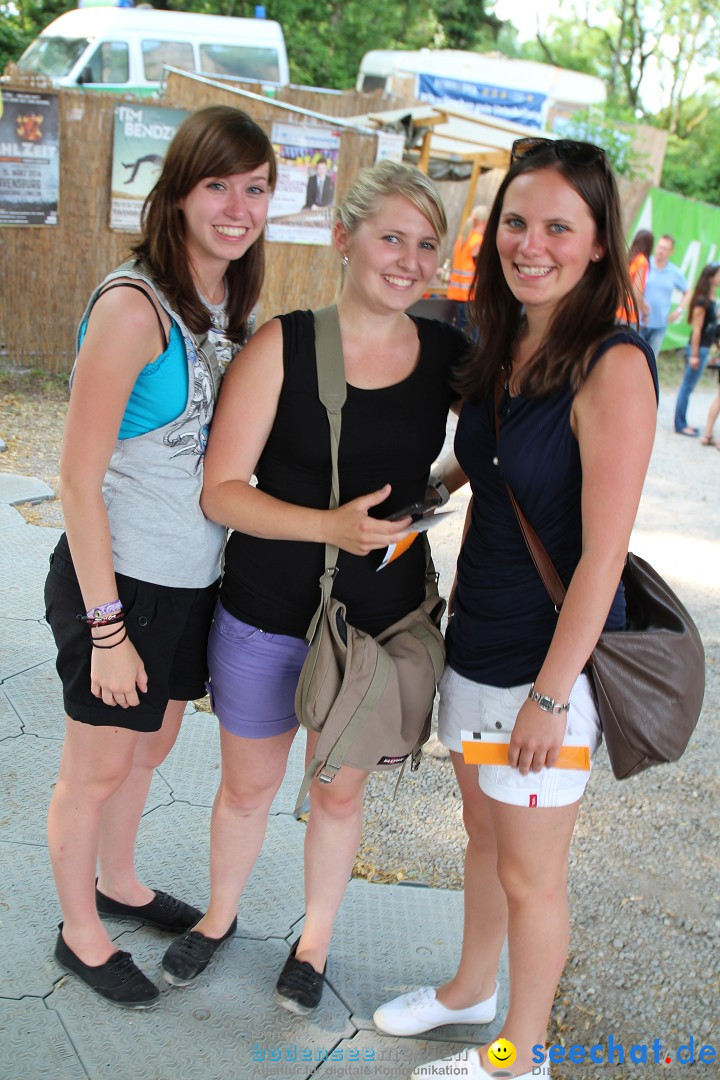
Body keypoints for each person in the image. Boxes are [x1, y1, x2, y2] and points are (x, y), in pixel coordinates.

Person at [373, 138, 658, 1080]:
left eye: (558, 227)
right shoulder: (512, 340)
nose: (530, 243)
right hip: (478, 641)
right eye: (517, 222)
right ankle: (470, 992)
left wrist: (549, 696)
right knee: (487, 838)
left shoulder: (612, 367)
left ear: (597, 243)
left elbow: (603, 553)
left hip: (546, 669)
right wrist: (417, 499)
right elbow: (487, 458)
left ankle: (516, 1059)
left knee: (534, 876)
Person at [160, 160, 468, 1013]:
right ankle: (219, 918)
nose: (409, 260)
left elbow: (488, 442)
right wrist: (330, 527)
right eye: (391, 238)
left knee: (338, 795)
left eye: (426, 246)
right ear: (345, 239)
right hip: (266, 615)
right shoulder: (283, 344)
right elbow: (222, 489)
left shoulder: (448, 353)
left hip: (376, 628)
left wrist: (426, 499)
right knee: (250, 787)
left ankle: (315, 941)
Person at [43, 105, 276, 1008]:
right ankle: (80, 929)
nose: (236, 205)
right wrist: (106, 630)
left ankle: (119, 881)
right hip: (121, 584)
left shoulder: (221, 305)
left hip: (191, 582)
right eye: (217, 184)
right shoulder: (135, 308)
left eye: (254, 188)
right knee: (95, 765)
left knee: (152, 745)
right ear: (177, 192)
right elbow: (74, 480)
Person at [675, 263, 720, 436]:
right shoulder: (701, 300)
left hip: (706, 347)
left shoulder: (712, 297)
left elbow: (712, 322)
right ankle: (680, 424)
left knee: (689, 387)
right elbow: (697, 329)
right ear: (711, 276)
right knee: (687, 387)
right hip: (698, 348)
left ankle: (682, 422)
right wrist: (694, 355)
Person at [640, 233, 691, 355]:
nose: (661, 251)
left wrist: (679, 310)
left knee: (650, 360)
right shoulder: (645, 264)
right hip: (639, 322)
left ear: (671, 252)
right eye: (660, 247)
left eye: (665, 248)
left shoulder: (674, 272)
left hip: (659, 325)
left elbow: (688, 292)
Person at [447, 204, 488, 331]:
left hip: (457, 293)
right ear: (484, 222)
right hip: (471, 296)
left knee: (460, 330)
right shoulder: (478, 241)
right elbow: (483, 268)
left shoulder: (462, 239)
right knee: (472, 337)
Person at [616, 228, 653, 324]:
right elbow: (636, 293)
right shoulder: (642, 262)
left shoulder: (628, 258)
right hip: (627, 315)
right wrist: (645, 312)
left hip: (615, 308)